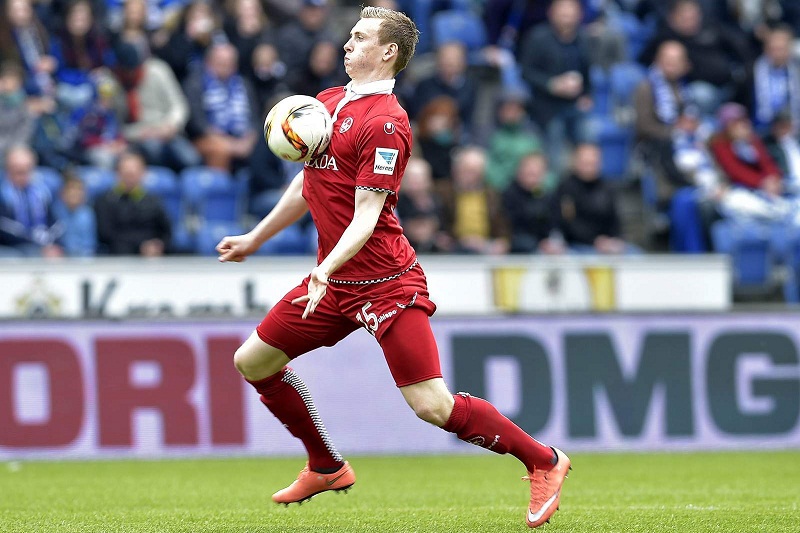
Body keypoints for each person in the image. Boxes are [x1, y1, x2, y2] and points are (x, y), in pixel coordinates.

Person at [215, 6, 570, 529]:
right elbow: (308, 183)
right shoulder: (327, 103)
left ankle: (544, 460)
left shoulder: (387, 123)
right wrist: (255, 237)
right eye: (350, 36)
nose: (347, 44)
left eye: (360, 38)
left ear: (388, 52)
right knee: (253, 361)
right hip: (334, 283)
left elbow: (368, 214)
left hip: (386, 284)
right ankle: (326, 465)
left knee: (431, 405)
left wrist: (324, 268)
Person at [94, 150, 172, 255]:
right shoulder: (105, 201)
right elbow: (105, 234)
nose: (130, 178)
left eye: (133, 174)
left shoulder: (154, 201)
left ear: (143, 173)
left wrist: (158, 245)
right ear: (118, 173)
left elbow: (166, 231)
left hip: (151, 257)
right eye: (126, 174)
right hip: (118, 256)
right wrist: (140, 246)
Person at [0, 144, 63, 257]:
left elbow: (55, 222)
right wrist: (35, 240)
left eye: (27, 170)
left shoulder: (42, 192)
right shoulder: (3, 193)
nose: (23, 175)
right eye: (18, 171)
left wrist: (50, 241)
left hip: (42, 245)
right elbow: (4, 225)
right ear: (8, 170)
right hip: (12, 246)